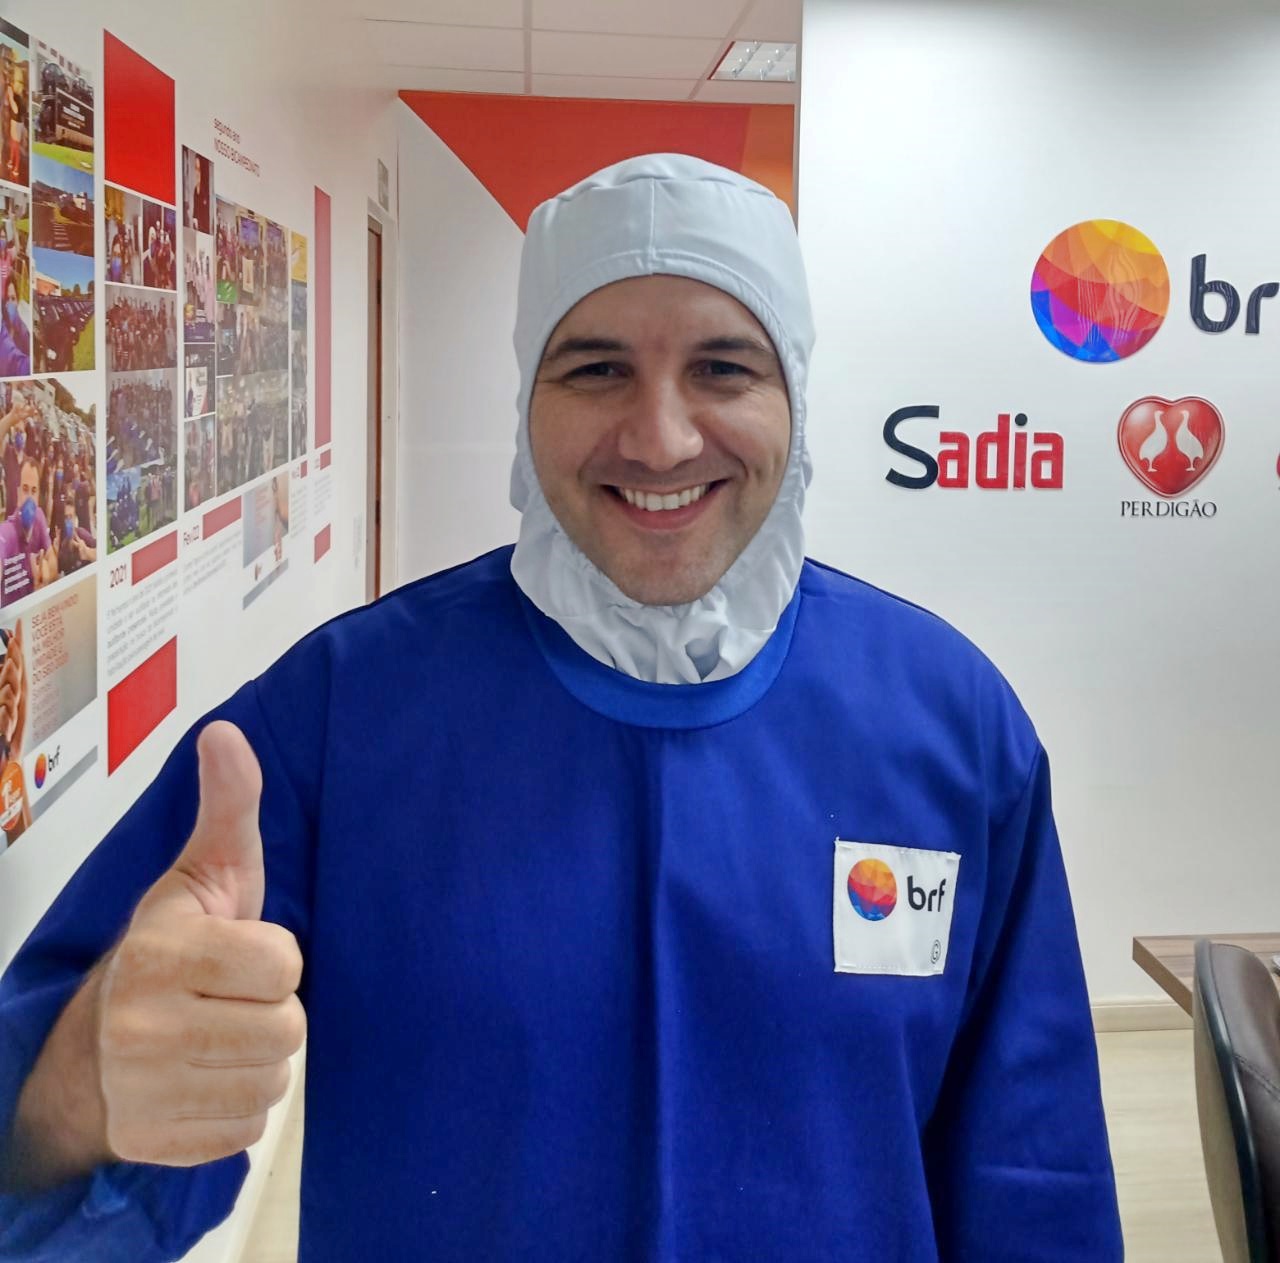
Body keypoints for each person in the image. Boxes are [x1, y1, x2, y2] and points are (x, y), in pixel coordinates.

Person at [0, 156, 1122, 1261]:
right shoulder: (337, 719)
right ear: (526, 399)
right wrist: (83, 1089)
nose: (661, 438)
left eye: (724, 368)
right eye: (595, 369)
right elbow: (43, 1141)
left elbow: (1034, 1178)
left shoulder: (951, 729)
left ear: (794, 395)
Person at [0, 454, 55, 605]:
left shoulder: (39, 516)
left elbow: (51, 557)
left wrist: (47, 572)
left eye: (34, 490)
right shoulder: (8, 531)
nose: (29, 498)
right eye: (25, 490)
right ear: (18, 492)